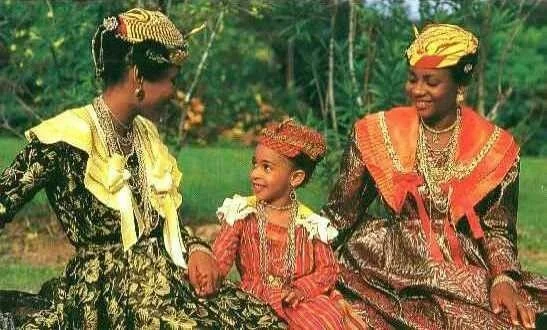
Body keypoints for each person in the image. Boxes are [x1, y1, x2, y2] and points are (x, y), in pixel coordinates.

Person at [0, 8, 284, 329]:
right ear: (138, 77)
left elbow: (162, 222)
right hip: (111, 294)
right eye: (171, 81)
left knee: (260, 320)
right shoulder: (67, 136)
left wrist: (197, 250)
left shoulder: (145, 135)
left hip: (167, 278)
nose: (174, 93)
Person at [323, 24, 546, 329]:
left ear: (459, 86)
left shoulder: (495, 146)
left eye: (431, 82)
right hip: (388, 262)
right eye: (413, 79)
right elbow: (340, 214)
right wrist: (295, 238)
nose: (417, 90)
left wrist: (503, 277)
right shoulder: (379, 132)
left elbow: (496, 229)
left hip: (460, 267)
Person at [212, 119, 368, 329]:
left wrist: (301, 290)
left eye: (266, 168)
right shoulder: (243, 213)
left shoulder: (309, 224)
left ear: (295, 178)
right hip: (254, 295)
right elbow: (220, 257)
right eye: (255, 165)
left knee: (323, 320)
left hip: (298, 300)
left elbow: (328, 269)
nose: (254, 174)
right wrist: (210, 274)